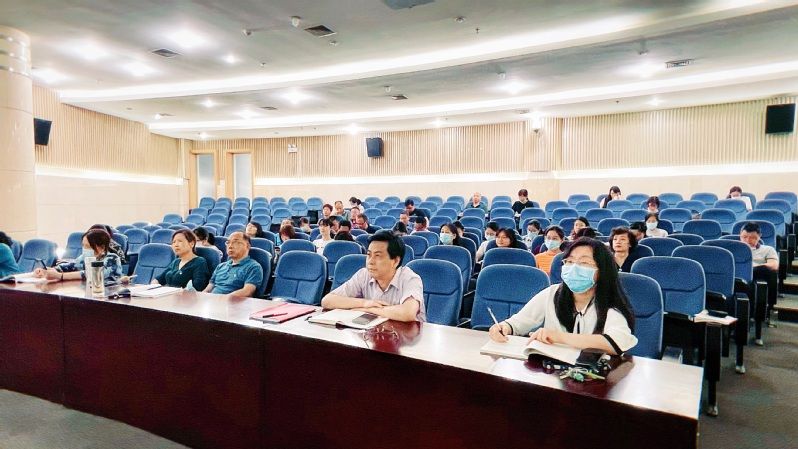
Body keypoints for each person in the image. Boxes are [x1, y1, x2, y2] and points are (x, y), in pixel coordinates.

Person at [489, 238, 637, 355]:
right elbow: (520, 321)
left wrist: (558, 337)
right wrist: (504, 327)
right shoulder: (553, 293)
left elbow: (617, 342)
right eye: (570, 261)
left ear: (602, 270)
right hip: (551, 371)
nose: (574, 268)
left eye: (584, 262)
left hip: (592, 376)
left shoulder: (609, 303)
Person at [321, 230, 425, 322]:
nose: (370, 261)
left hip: (408, 335)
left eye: (378, 256)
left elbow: (407, 313)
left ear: (395, 261)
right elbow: (327, 301)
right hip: (373, 332)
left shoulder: (410, 278)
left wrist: (368, 310)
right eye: (369, 255)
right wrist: (365, 303)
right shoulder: (364, 274)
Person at [35, 229, 123, 283]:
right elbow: (69, 266)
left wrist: (60, 276)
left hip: (109, 295)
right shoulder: (84, 257)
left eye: (88, 246)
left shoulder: (112, 259)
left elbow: (91, 274)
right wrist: (49, 271)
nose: (85, 249)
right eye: (83, 246)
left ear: (102, 247)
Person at [204, 232, 263, 297]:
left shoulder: (253, 267)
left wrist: (222, 299)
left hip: (232, 302)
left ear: (248, 246)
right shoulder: (221, 266)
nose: (230, 246)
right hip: (212, 300)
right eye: (228, 242)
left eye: (235, 242)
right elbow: (209, 289)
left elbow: (247, 291)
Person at [740, 222, 778, 323]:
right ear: (740, 235)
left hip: (755, 276)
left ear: (759, 236)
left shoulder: (768, 249)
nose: (748, 240)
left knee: (766, 272)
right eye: (744, 237)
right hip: (737, 276)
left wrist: (752, 267)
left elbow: (774, 265)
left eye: (752, 238)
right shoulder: (734, 249)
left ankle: (755, 315)